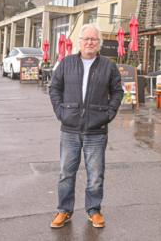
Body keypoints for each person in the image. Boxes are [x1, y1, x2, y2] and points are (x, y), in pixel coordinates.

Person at [48, 24, 123, 228]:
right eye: (86, 39)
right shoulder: (66, 63)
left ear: (99, 43)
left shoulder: (108, 66)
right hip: (70, 129)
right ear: (79, 42)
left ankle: (94, 210)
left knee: (96, 174)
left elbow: (118, 91)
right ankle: (64, 210)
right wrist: (60, 112)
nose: (90, 42)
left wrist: (109, 113)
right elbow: (54, 88)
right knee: (66, 173)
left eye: (94, 39)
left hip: (96, 130)